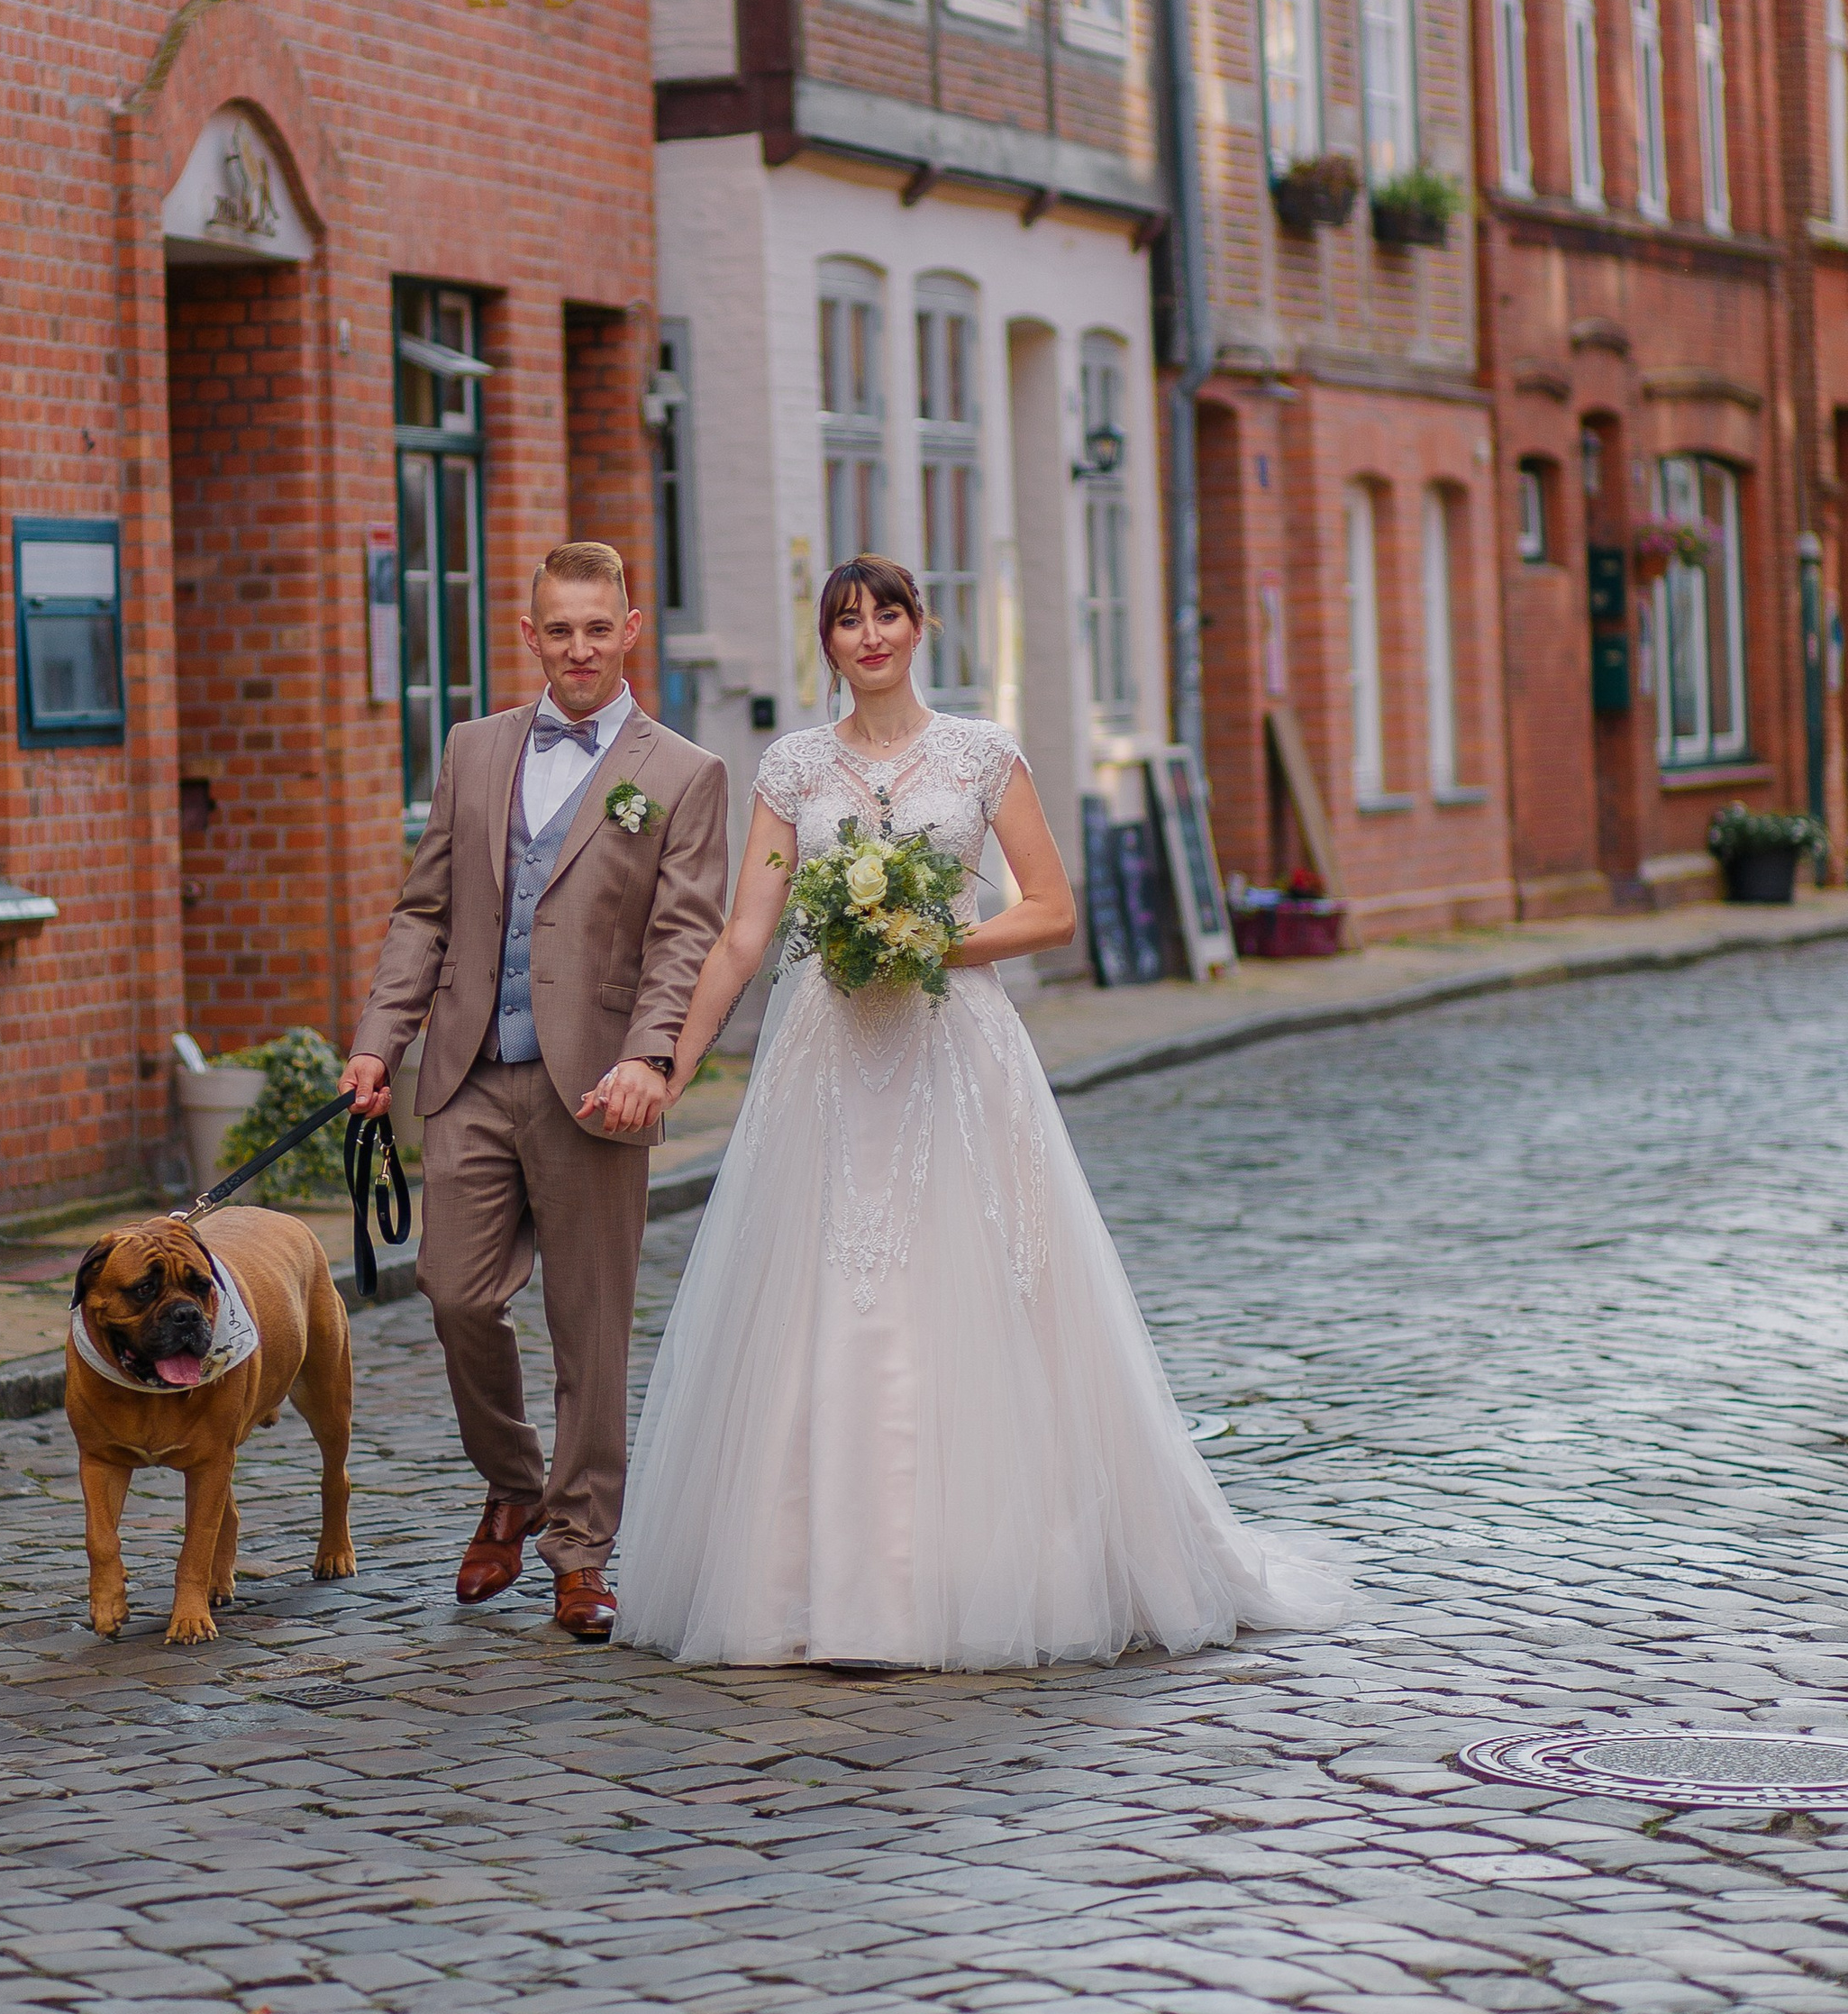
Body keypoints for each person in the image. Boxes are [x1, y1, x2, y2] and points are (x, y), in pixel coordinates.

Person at [613, 552, 1346, 1671]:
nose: (868, 636)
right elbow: (744, 936)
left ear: (922, 626)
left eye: (887, 615)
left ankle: (979, 1572)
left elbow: (1051, 910)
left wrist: (932, 941)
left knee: (978, 1281)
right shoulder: (792, 768)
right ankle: (801, 1580)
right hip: (825, 1056)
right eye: (845, 620)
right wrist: (667, 1061)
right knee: (816, 1292)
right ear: (827, 643)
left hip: (955, 1048)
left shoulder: (982, 754)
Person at [344, 542, 728, 1643]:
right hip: (466, 1067)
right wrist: (382, 1040)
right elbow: (424, 912)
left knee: (588, 1326)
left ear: (630, 631)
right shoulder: (472, 751)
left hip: (597, 1085)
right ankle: (512, 1483)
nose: (577, 649)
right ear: (528, 636)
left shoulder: (682, 773)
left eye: (596, 628)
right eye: (557, 630)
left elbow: (683, 935)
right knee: (455, 1292)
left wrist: (651, 1059)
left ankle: (578, 1552)